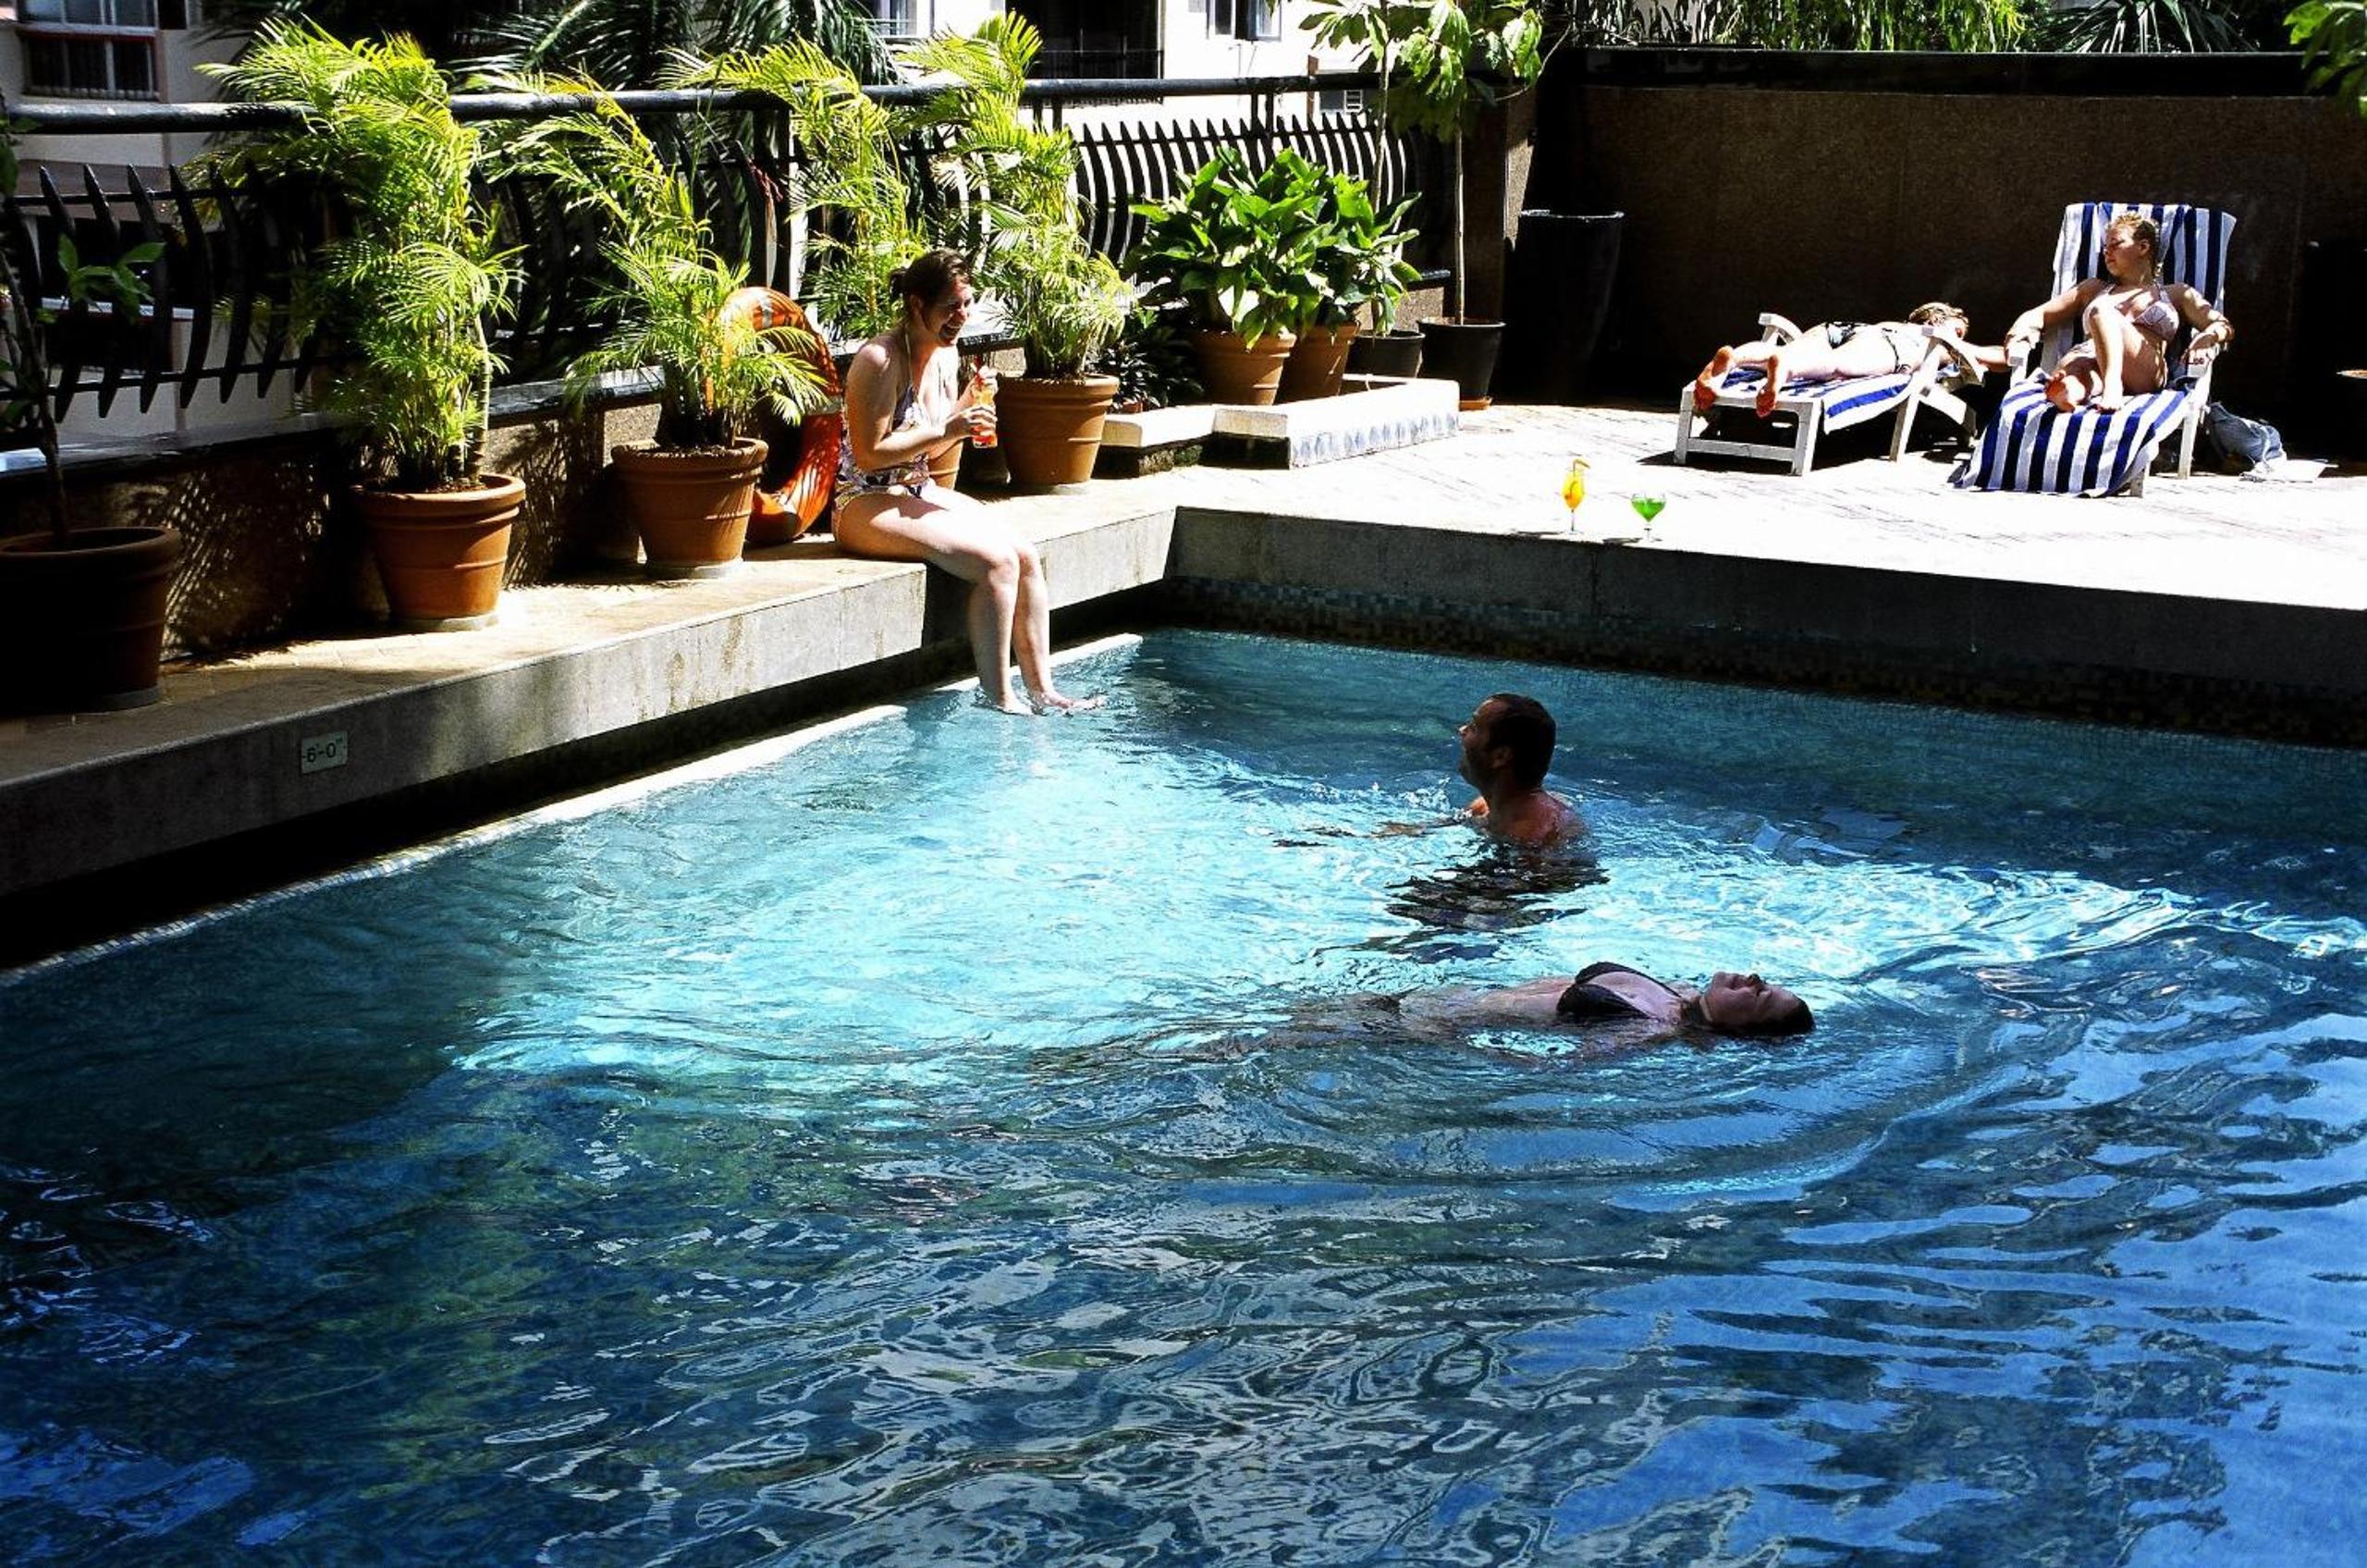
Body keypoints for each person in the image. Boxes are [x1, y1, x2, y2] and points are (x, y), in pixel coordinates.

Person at [833, 249, 1097, 715]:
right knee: (996, 563)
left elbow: (931, 450)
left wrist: (967, 408)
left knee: (1025, 555)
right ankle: (1000, 698)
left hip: (916, 489)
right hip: (862, 501)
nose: (961, 316)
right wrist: (949, 428)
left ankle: (1044, 691)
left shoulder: (944, 354)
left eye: (967, 304)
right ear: (917, 305)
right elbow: (871, 456)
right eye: (950, 307)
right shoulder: (879, 359)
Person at [2002, 213, 2234, 414]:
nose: (2107, 252)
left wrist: (2208, 336)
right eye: (2105, 247)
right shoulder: (2093, 288)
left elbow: (2222, 325)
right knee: (2077, 373)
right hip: (2088, 360)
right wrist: (2018, 332)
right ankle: (2069, 391)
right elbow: (2039, 314)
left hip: (2142, 370)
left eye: (2115, 244)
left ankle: (2112, 384)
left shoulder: (2176, 294)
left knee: (2102, 311)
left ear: (2143, 247)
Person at [1691, 302, 2009, 420]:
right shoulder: (1937, 340)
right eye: (1959, 329)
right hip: (1891, 347)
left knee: (1791, 350)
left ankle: (1735, 357)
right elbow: (2001, 359)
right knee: (1835, 365)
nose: (1960, 335)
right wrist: (1963, 341)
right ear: (1941, 321)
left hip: (1846, 328)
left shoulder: (1897, 323)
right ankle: (1786, 370)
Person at [1395, 962, 1814, 1041]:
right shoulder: (1676, 990)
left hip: (1426, 1025)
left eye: (1761, 995)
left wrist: (1451, 1042)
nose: (1755, 979)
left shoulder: (1650, 1029)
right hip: (1443, 995)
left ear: (1740, 1028)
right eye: (1766, 982)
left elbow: (1558, 1070)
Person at [1457, 692, 1583, 846]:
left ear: (1500, 756)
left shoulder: (1534, 836)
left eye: (1474, 727)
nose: (1462, 730)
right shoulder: (1482, 807)